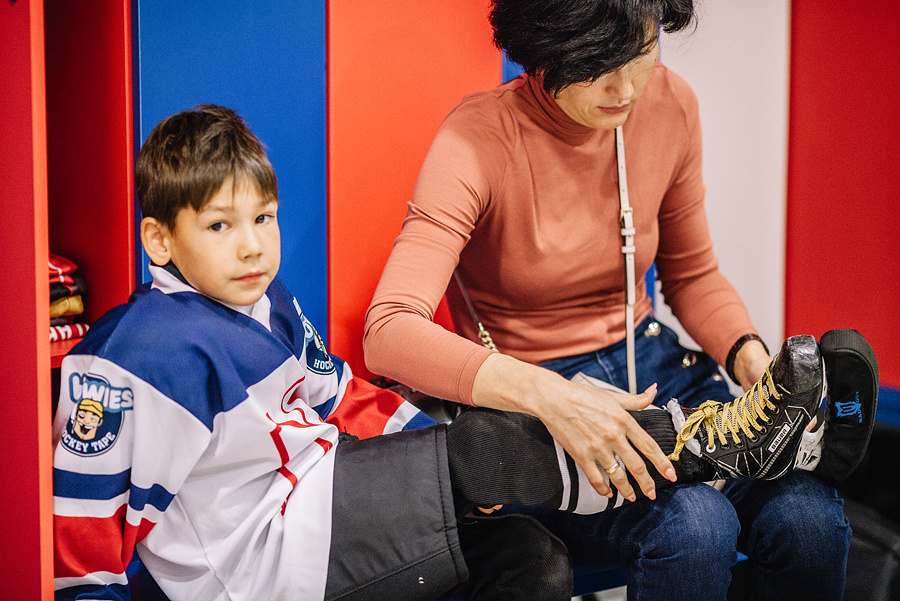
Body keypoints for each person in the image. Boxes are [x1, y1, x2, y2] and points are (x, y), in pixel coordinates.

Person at [51, 105, 872, 601]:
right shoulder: (137, 352)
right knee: (490, 444)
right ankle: (713, 444)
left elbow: (347, 399)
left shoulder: (265, 304)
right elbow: (83, 532)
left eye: (262, 219)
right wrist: (462, 453)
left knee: (530, 561)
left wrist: (435, 445)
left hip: (321, 509)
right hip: (260, 564)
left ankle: (728, 442)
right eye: (219, 226)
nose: (252, 245)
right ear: (160, 236)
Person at [363, 1, 879, 599]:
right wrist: (552, 398)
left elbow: (693, 276)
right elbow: (389, 330)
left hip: (657, 369)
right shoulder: (476, 138)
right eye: (600, 65)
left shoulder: (670, 103)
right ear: (542, 49)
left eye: (643, 54)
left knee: (810, 521)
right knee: (696, 526)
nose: (627, 88)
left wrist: (759, 372)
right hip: (535, 402)